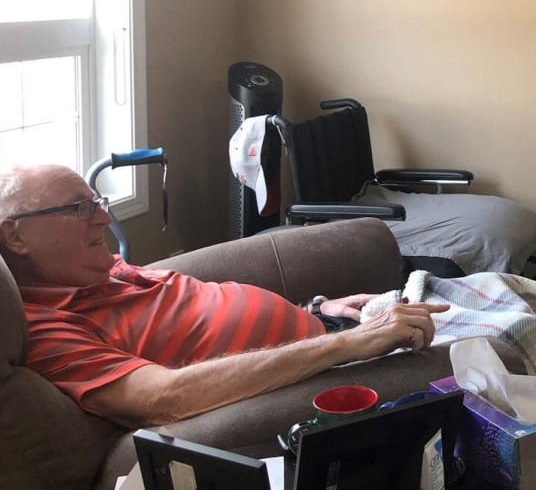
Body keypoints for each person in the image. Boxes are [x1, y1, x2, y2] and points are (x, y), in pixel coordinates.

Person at [0, 164, 446, 428]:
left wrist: (318, 311)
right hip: (333, 365)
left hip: (336, 332)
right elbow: (163, 399)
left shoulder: (99, 269)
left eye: (97, 201)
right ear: (14, 236)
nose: (102, 217)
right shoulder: (45, 329)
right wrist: (348, 342)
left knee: (485, 291)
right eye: (78, 208)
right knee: (494, 345)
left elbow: (200, 317)